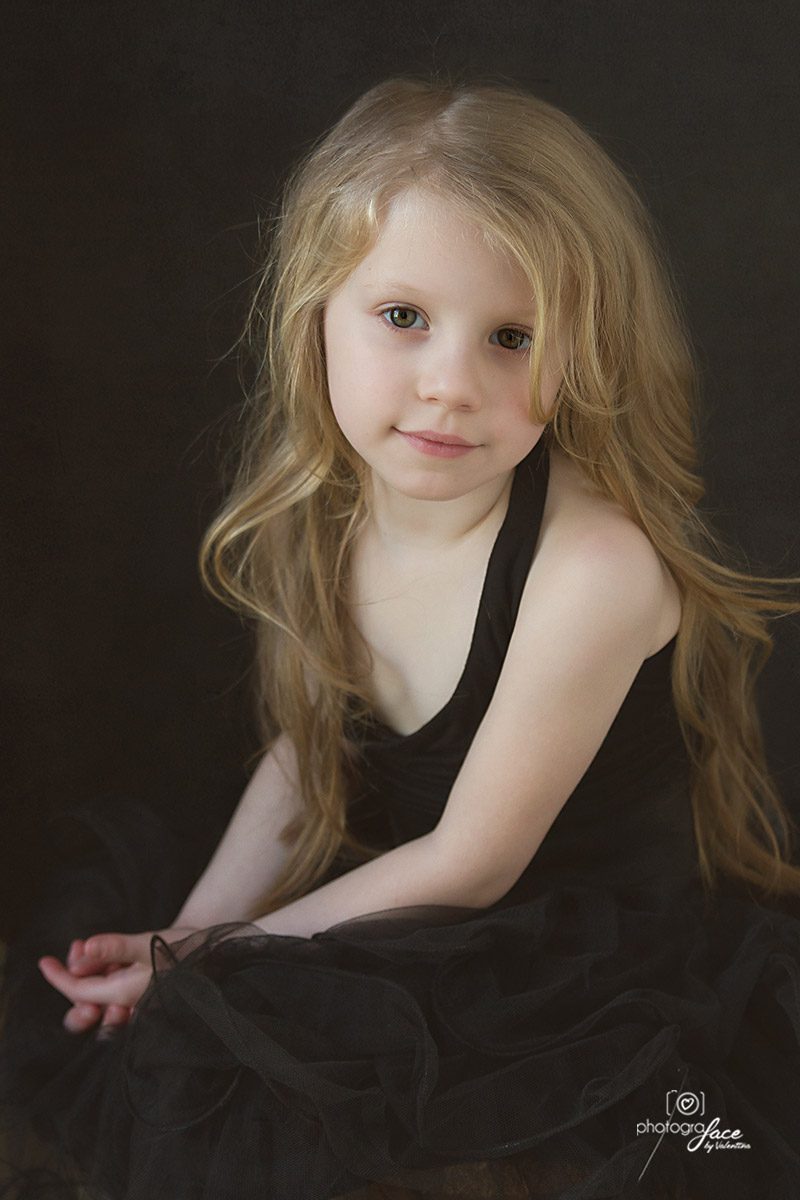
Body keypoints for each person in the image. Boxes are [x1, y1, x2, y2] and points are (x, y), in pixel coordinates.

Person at [2, 74, 800, 1200]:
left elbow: (470, 864)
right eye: (403, 317)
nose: (448, 388)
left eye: (512, 337)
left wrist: (210, 962)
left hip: (575, 970)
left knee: (283, 1076)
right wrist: (182, 938)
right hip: (413, 911)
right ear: (314, 315)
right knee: (175, 1037)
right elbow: (310, 750)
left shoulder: (595, 570)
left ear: (584, 355)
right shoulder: (347, 504)